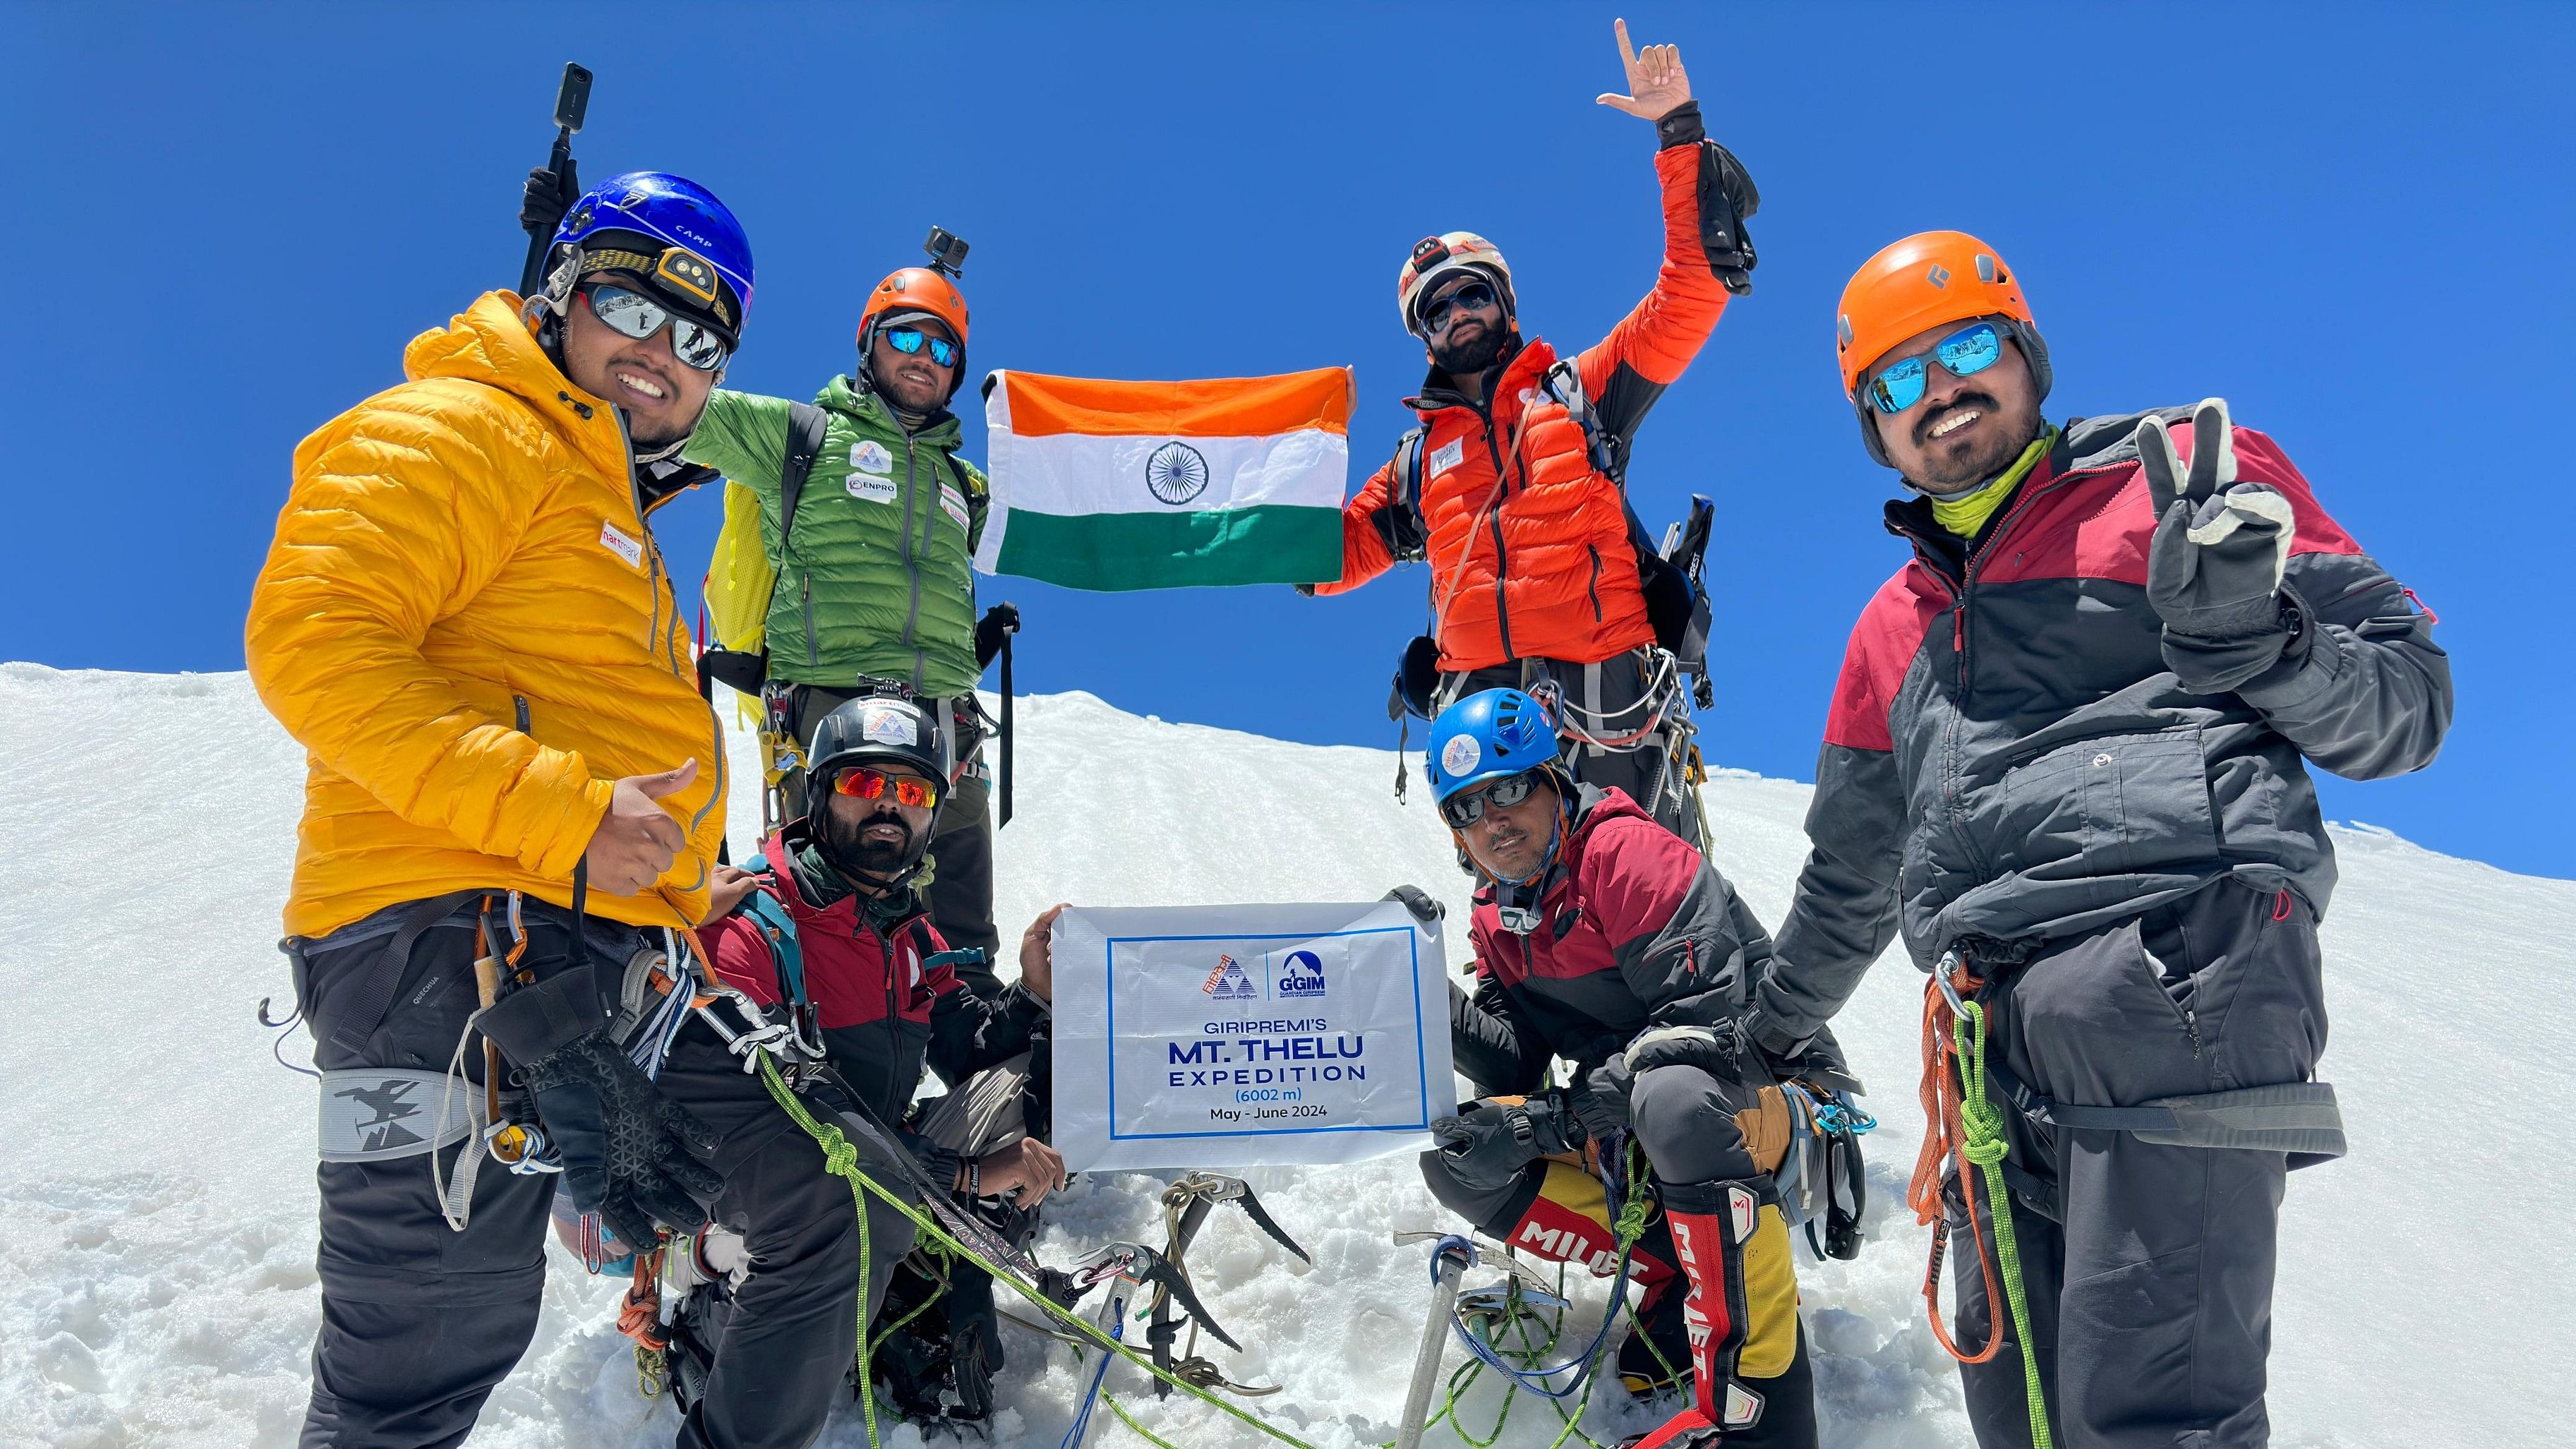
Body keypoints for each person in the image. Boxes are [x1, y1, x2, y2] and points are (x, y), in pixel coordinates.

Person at [1740, 232, 2454, 1448]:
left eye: (1965, 350)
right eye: (1897, 384)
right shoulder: (1886, 629)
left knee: (2151, 1422)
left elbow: (2407, 704)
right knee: (2019, 1420)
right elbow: (1853, 871)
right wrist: (1761, 1035)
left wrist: (2267, 642)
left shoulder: (2178, 485)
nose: (1942, 396)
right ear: (1873, 426)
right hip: (1982, 1040)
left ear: (2026, 354)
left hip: (2165, 963)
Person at [246, 173, 795, 1446]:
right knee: (425, 1343)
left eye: (700, 342)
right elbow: (312, 638)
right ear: (560, 292)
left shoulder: (594, 487)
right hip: (442, 940)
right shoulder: (466, 424)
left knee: (488, 1315)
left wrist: (682, 887)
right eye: (630, 308)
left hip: (552, 942)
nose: (663, 357)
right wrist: (565, 808)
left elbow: (574, 722)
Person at [520, 174, 1015, 977]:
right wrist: (555, 279)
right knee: (828, 921)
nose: (923, 359)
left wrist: (1284, 545)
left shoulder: (970, 486)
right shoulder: (796, 432)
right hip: (829, 698)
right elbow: (640, 387)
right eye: (906, 338)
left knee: (960, 923)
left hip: (947, 715)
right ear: (869, 342)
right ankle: (826, 1082)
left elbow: (1083, 529)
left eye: (942, 349)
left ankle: (972, 1074)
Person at [1304, 20, 1758, 843]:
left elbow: (1690, 289)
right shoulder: (1415, 465)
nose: (1454, 315)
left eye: (1468, 294)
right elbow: (1332, 552)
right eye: (1434, 310)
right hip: (1480, 732)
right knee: (1522, 940)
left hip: (1608, 706)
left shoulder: (1581, 392)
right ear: (1424, 337)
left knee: (1653, 910)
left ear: (1503, 303)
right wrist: (1259, 512)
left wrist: (1676, 130)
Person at [1411, 688, 1831, 1448]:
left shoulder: (1622, 853)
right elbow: (1516, 1056)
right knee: (1462, 1160)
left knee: (1672, 1100)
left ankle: (1764, 1412)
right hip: (1632, 1120)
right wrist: (1413, 990)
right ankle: (1680, 1285)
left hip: (1764, 1095)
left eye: (1507, 789)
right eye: (1465, 808)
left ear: (1552, 780)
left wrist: (1558, 1119)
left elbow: (1708, 1027)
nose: (1491, 820)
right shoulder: (1498, 909)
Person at [671, 690, 1064, 1432]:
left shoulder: (909, 935)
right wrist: (968, 1176)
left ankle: (906, 1288)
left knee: (1029, 1076)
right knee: (840, 1197)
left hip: (878, 1160)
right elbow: (775, 1123)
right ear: (819, 796)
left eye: (910, 790)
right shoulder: (754, 923)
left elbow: (969, 1053)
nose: (889, 806)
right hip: (772, 1175)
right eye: (863, 784)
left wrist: (1032, 995)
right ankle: (725, 1290)